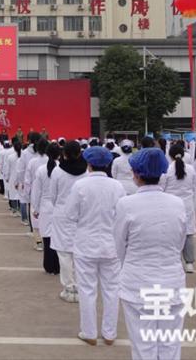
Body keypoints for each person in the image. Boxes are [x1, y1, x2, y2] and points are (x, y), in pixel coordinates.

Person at [114, 148, 186, 360]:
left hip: (138, 283)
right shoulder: (177, 203)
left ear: (136, 174)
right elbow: (179, 241)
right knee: (170, 345)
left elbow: (119, 245)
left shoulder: (126, 204)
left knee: (143, 346)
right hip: (171, 281)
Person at [67, 147, 125, 346]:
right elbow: (122, 215)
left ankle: (89, 332)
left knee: (87, 289)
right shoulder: (117, 186)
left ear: (88, 164)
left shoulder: (80, 185)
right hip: (111, 244)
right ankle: (109, 334)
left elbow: (71, 215)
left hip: (86, 243)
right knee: (112, 289)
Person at [47, 140, 88, 303]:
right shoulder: (86, 171)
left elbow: (53, 196)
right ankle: (80, 286)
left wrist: (61, 206)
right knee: (79, 251)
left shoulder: (57, 171)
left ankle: (69, 287)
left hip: (62, 214)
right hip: (81, 214)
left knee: (64, 253)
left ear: (64, 154)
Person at [160, 143, 196, 273]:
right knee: (188, 234)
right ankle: (189, 263)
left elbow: (162, 188)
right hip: (187, 205)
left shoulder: (166, 170)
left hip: (171, 205)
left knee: (172, 233)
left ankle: (175, 259)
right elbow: (195, 187)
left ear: (169, 155)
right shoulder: (191, 169)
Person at [33, 142, 61, 274]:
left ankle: (49, 265)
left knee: (47, 236)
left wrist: (36, 208)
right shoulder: (63, 169)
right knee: (59, 236)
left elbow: (36, 191)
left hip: (45, 205)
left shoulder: (41, 170)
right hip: (60, 206)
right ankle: (58, 266)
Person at [25, 138, 49, 250]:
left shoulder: (33, 162)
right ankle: (47, 240)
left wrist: (27, 194)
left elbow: (27, 180)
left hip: (36, 191)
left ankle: (39, 241)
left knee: (35, 217)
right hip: (50, 194)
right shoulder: (51, 161)